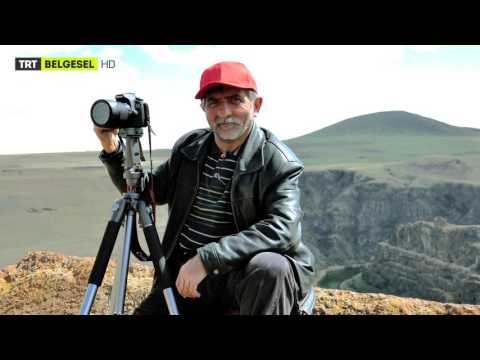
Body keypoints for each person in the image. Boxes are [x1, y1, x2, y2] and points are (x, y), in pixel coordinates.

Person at [94, 61, 316, 315]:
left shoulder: (277, 162)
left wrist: (208, 259)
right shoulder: (191, 148)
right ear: (203, 108)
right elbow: (147, 192)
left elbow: (283, 228)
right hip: (188, 278)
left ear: (256, 106)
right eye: (214, 102)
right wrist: (112, 148)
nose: (224, 112)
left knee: (272, 266)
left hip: (242, 280)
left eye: (235, 100)